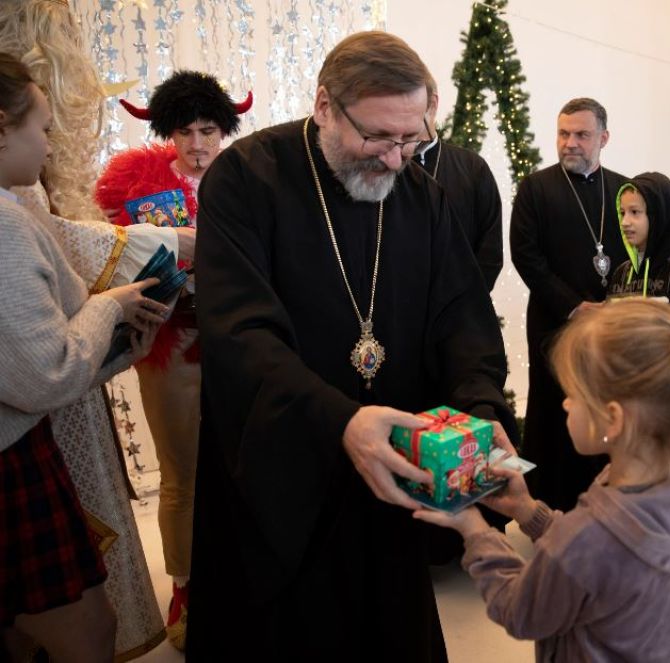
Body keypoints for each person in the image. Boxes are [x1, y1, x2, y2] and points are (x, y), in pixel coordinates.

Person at [186, 31, 515, 661]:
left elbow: (463, 320)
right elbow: (240, 332)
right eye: (378, 137)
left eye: (411, 139)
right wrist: (340, 421)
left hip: (394, 466)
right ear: (325, 107)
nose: (395, 160)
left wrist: (481, 405)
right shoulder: (247, 178)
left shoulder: (423, 197)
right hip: (285, 468)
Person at [413, 298, 670, 662]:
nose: (565, 404)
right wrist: (529, 511)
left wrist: (475, 529)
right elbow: (600, 561)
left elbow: (521, 611)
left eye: (574, 395)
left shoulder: (588, 537)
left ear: (614, 419)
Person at [0, 1, 188, 656]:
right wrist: (111, 306)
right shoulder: (5, 222)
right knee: (86, 631)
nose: (51, 146)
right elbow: (43, 374)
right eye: (43, 128)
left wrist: (115, 347)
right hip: (12, 460)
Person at [93, 69, 251, 650]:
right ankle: (185, 586)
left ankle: (245, 576)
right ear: (169, 133)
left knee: (245, 464)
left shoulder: (250, 178)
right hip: (174, 343)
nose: (198, 144)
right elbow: (114, 262)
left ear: (224, 130)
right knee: (181, 471)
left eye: (208, 130)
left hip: (242, 343)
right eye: (186, 132)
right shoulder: (137, 185)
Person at [510, 97, 627, 511]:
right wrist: (575, 307)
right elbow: (526, 256)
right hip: (554, 321)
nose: (570, 143)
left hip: (611, 327)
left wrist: (617, 305)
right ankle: (551, 507)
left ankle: (607, 504)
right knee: (555, 412)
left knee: (608, 409)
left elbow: (636, 253)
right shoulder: (536, 188)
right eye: (563, 133)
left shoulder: (624, 190)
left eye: (581, 134)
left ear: (603, 138)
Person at [414, 76, 502, 291]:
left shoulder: (472, 167)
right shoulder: (385, 165)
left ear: (432, 104)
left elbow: (490, 250)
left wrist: (468, 301)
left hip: (461, 300)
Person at [607, 171, 670, 312]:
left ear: (659, 214)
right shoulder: (621, 273)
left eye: (635, 212)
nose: (624, 222)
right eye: (622, 213)